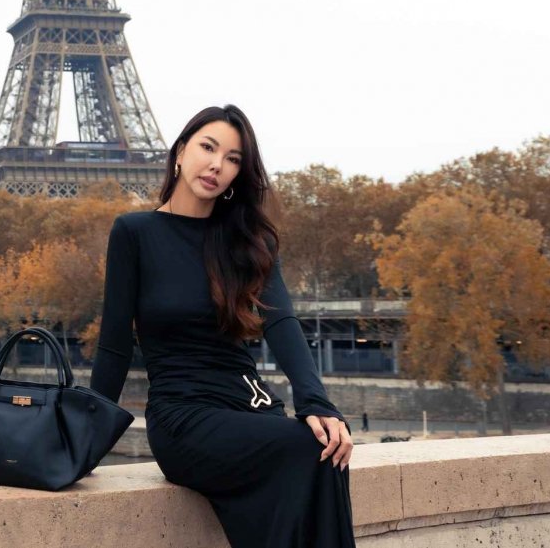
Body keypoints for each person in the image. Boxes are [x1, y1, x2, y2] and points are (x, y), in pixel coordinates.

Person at [89, 104, 356, 548]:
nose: (217, 165)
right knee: (311, 453)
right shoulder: (134, 233)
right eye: (208, 148)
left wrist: (318, 403)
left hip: (250, 408)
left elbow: (282, 321)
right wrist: (90, 437)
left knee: (326, 447)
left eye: (233, 159)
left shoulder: (249, 240)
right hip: (183, 418)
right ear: (179, 151)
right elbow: (114, 346)